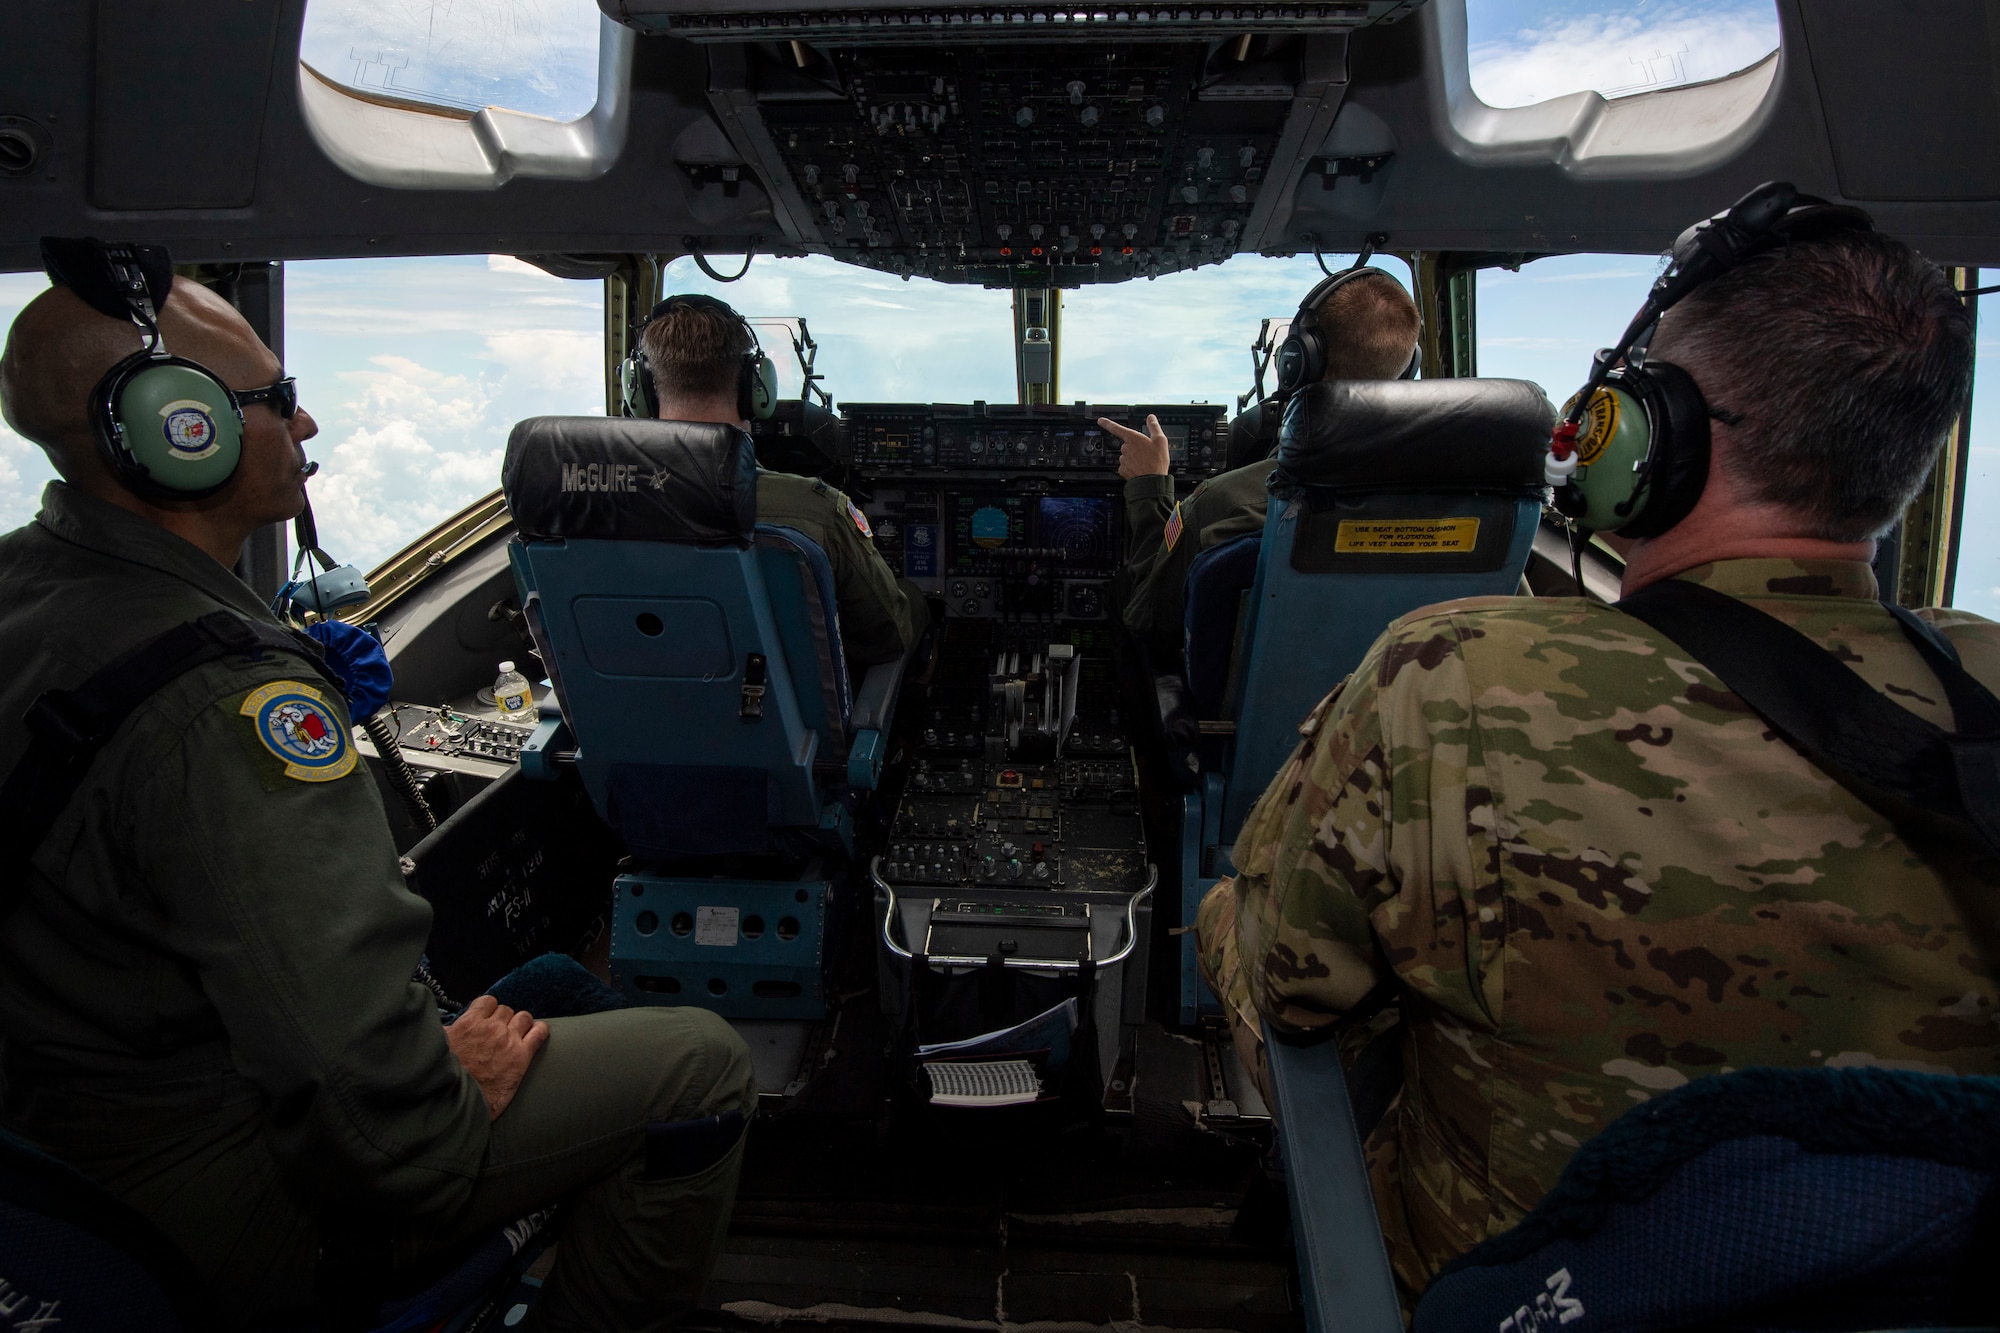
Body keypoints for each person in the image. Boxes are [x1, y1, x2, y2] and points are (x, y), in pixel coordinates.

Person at [1195, 219, 1998, 1299]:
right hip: (1928, 1278)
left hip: (1520, 1289)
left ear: (1640, 431)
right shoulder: (1981, 678)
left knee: (1231, 915)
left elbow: (1293, 986)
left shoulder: (1454, 678)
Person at [0, 248, 757, 1333]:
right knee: (699, 1066)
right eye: (280, 400)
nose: (306, 430)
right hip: (215, 1200)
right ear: (182, 425)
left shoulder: (28, 592)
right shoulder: (232, 708)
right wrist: (434, 1094)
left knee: (543, 977)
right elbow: (382, 1121)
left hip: (50, 1161)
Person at [1104, 269, 1422, 670]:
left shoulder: (1227, 503)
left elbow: (1150, 616)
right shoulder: (1480, 503)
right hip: (1404, 713)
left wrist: (1150, 487)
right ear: (1407, 368)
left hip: (1249, 725)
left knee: (1123, 599)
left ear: (1297, 362)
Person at [640, 295, 926, 663]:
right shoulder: (815, 510)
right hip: (777, 717)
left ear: (641, 390)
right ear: (755, 388)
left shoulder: (574, 503)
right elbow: (889, 636)